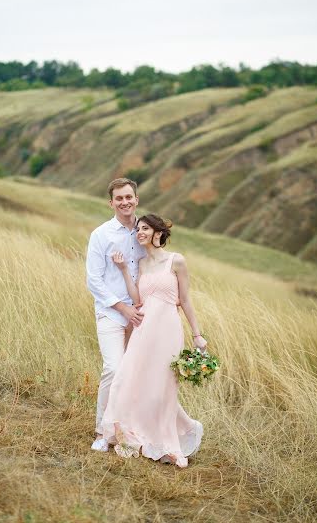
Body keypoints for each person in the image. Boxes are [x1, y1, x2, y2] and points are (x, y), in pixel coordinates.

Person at [100, 214, 207, 468]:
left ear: (158, 232)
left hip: (168, 329)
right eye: (138, 229)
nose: (140, 232)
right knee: (128, 379)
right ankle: (127, 433)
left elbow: (186, 301)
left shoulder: (176, 261)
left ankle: (169, 441)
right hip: (143, 328)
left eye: (145, 228)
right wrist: (125, 270)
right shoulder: (141, 263)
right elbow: (138, 299)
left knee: (162, 388)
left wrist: (197, 335)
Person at [86, 178, 146, 452]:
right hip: (112, 312)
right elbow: (93, 280)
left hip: (142, 316)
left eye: (129, 197)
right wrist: (122, 308)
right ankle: (102, 432)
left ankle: (129, 429)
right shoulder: (101, 234)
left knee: (135, 374)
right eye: (119, 198)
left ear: (136, 199)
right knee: (113, 368)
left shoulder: (146, 232)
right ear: (111, 203)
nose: (125, 202)